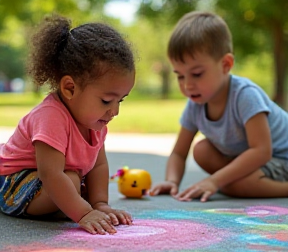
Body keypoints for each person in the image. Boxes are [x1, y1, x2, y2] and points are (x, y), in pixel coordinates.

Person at [0, 14, 135, 235]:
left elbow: (98, 166)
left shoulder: (95, 122)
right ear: (70, 88)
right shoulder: (51, 117)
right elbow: (51, 174)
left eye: (120, 100)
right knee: (70, 181)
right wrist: (84, 212)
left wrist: (100, 204)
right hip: (12, 185)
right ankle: (67, 205)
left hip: (51, 184)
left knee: (74, 183)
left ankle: (68, 203)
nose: (115, 111)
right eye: (106, 100)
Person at [150, 11, 288, 202]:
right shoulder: (195, 103)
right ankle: (233, 184)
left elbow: (262, 151)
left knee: (237, 184)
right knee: (201, 150)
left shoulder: (245, 95)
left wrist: (215, 181)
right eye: (180, 75)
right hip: (253, 161)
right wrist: (171, 181)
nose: (187, 84)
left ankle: (262, 187)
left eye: (197, 74)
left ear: (226, 64)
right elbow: (179, 153)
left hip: (281, 158)